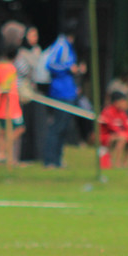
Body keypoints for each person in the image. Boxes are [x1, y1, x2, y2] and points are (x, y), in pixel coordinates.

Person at [42, 25, 88, 168]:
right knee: (56, 128)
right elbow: (50, 65)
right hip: (60, 93)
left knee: (64, 128)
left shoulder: (68, 46)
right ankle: (49, 160)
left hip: (69, 92)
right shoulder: (61, 45)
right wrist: (69, 68)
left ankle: (58, 159)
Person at [0, 43, 25, 167]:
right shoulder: (10, 69)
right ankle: (3, 151)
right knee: (19, 129)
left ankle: (2, 154)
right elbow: (5, 86)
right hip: (10, 106)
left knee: (2, 132)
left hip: (0, 106)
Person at [15, 26, 44, 163]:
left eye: (36, 35)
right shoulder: (20, 53)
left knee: (34, 124)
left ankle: (34, 154)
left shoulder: (37, 51)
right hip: (21, 93)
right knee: (23, 125)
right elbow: (24, 70)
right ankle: (22, 156)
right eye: (31, 35)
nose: (34, 38)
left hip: (32, 93)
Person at [99, 89, 128, 168]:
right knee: (122, 138)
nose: (126, 104)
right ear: (117, 102)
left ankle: (125, 162)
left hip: (116, 135)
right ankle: (117, 163)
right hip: (104, 136)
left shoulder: (122, 113)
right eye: (123, 101)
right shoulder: (108, 111)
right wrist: (122, 133)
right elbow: (112, 126)